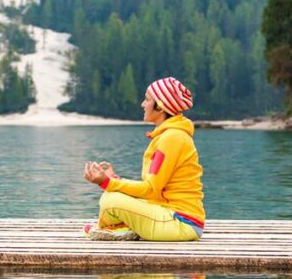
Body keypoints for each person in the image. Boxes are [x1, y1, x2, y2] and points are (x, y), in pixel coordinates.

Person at [82, 76, 205, 241]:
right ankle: (120, 228)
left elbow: (150, 189)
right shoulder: (169, 136)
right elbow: (154, 191)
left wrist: (107, 182)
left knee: (110, 199)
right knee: (111, 196)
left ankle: (117, 228)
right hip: (168, 215)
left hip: (181, 223)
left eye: (147, 99)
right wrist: (115, 180)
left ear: (160, 107)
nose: (143, 104)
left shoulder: (172, 138)